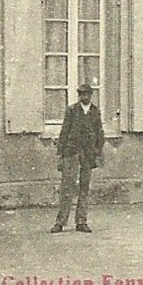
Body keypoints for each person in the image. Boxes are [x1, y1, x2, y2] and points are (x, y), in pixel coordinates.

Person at [51, 82, 104, 233]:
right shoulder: (72, 110)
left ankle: (81, 221)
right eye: (82, 94)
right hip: (71, 152)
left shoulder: (95, 111)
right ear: (79, 96)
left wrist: (98, 152)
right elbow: (64, 132)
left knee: (84, 187)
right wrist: (61, 154)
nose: (84, 97)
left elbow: (99, 133)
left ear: (91, 95)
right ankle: (60, 222)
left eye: (87, 94)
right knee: (67, 187)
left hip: (88, 154)